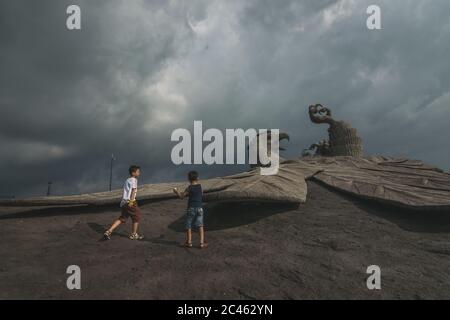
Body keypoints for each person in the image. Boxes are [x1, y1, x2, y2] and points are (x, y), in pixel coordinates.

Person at [104, 165, 144, 240]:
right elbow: (133, 190)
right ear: (133, 173)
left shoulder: (127, 180)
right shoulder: (134, 180)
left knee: (122, 218)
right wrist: (131, 202)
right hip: (130, 201)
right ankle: (134, 234)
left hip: (124, 202)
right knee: (137, 216)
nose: (139, 173)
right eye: (138, 172)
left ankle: (109, 231)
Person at [173, 171, 207, 249]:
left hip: (191, 208)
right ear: (197, 178)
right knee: (200, 225)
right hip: (199, 208)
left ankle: (189, 242)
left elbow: (182, 197)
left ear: (189, 179)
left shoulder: (189, 188)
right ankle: (201, 243)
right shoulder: (200, 186)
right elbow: (201, 194)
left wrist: (176, 192)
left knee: (189, 225)